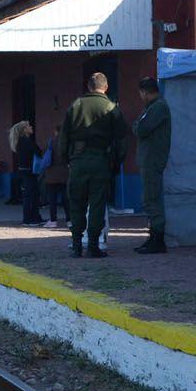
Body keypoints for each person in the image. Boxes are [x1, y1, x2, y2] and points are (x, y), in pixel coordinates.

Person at [58, 72, 128, 258]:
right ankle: (93, 246)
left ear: (89, 86)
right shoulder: (111, 107)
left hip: (78, 161)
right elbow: (122, 140)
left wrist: (66, 160)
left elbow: (63, 137)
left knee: (76, 203)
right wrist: (116, 164)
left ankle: (76, 245)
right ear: (105, 87)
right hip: (101, 161)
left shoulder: (76, 105)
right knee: (97, 204)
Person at [133, 77, 171, 254]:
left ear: (145, 92)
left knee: (152, 200)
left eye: (141, 94)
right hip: (149, 160)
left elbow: (140, 128)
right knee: (149, 199)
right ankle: (153, 238)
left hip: (152, 160)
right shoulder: (152, 108)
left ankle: (158, 239)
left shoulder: (158, 107)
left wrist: (137, 125)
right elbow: (139, 126)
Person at [14, 121, 45, 225]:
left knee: (32, 194)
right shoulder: (26, 142)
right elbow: (37, 151)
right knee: (31, 195)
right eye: (28, 126)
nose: (31, 127)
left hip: (25, 170)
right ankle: (29, 219)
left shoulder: (21, 141)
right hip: (29, 171)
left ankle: (34, 217)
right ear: (24, 130)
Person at [41, 131, 69, 227]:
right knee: (66, 198)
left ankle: (53, 220)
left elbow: (44, 154)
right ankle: (69, 219)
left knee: (52, 199)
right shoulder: (67, 142)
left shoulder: (50, 142)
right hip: (65, 173)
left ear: (55, 131)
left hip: (51, 174)